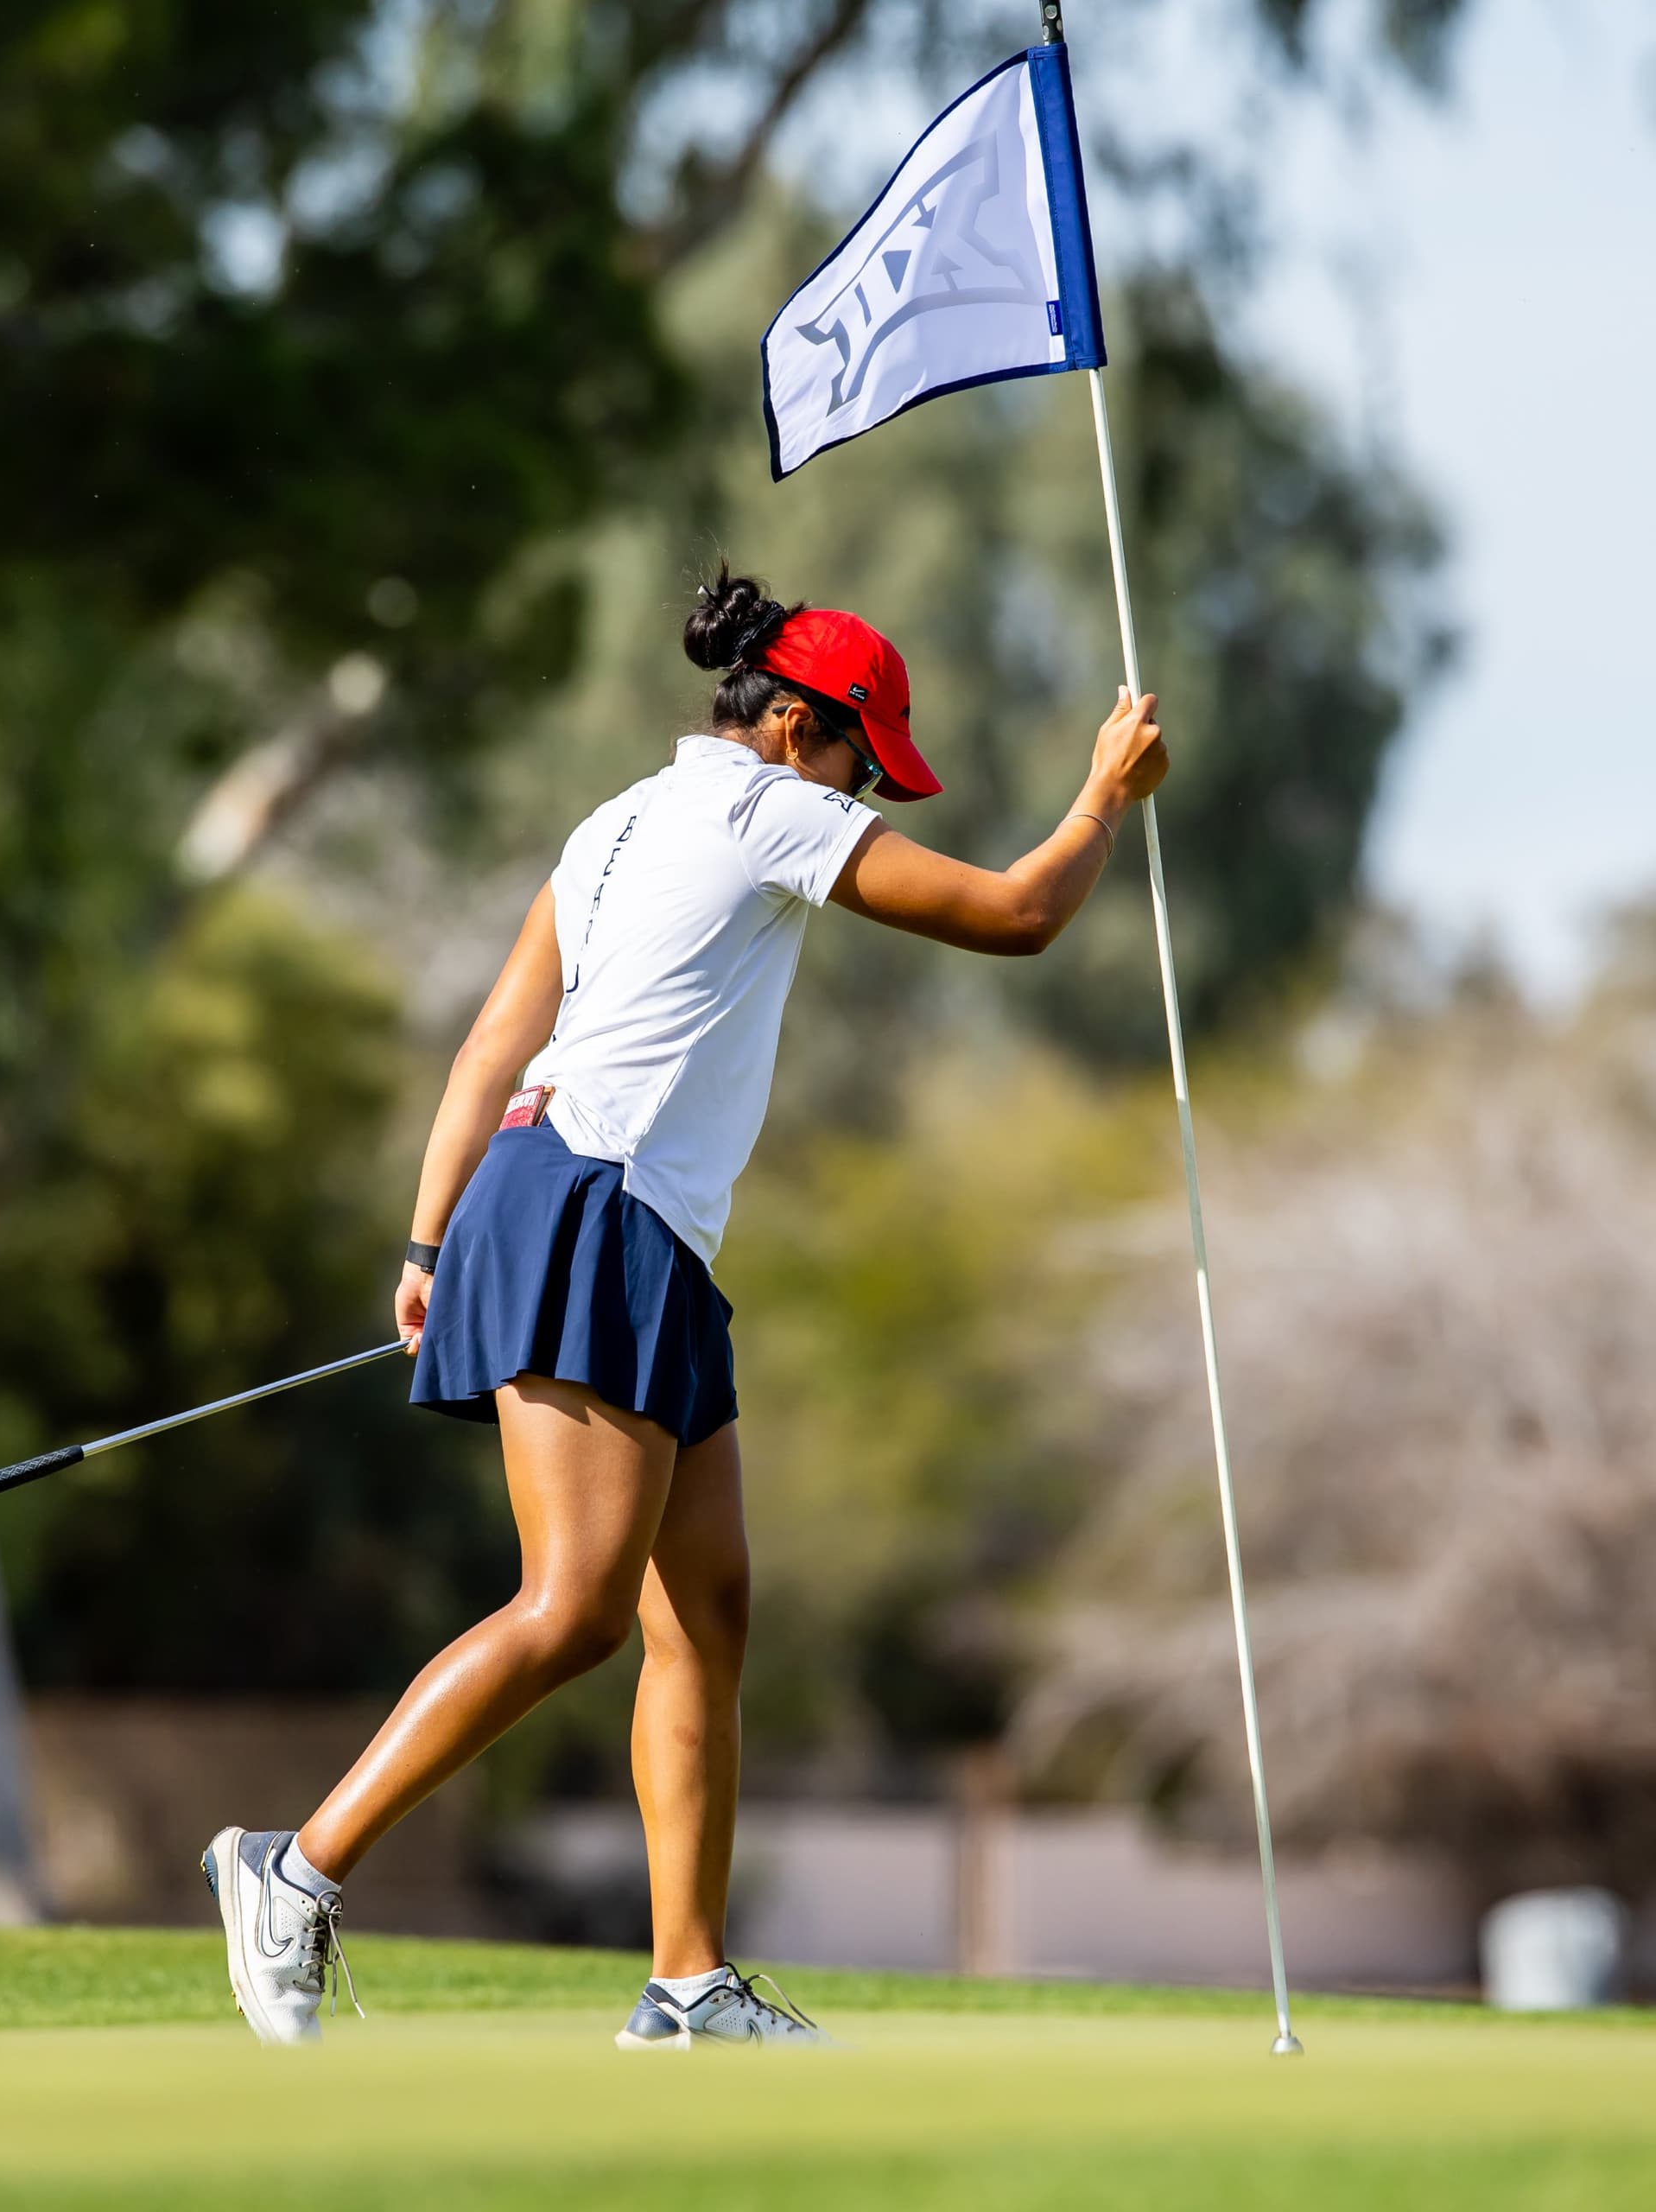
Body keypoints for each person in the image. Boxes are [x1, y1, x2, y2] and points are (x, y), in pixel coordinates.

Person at [204, 569, 1166, 2049]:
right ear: (794, 726)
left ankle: (688, 1981)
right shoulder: (765, 810)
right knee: (576, 1607)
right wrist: (1104, 795)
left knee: (702, 1619)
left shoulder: (609, 827)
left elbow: (487, 1046)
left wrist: (427, 1234)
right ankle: (297, 1867)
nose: (862, 794)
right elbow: (1018, 916)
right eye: (859, 759)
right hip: (597, 1201)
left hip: (594, 1209)